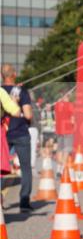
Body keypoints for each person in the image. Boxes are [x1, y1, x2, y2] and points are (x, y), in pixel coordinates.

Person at [1, 64, 34, 212]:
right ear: (14, 74)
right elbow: (28, 115)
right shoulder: (21, 91)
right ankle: (24, 202)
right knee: (26, 168)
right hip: (20, 132)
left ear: (2, 76)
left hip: (3, 135)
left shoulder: (1, 92)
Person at [53, 91, 75, 170]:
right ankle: (63, 168)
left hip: (59, 130)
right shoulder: (70, 105)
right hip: (68, 130)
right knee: (67, 149)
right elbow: (73, 119)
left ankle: (58, 168)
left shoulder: (56, 105)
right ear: (68, 96)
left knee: (60, 148)